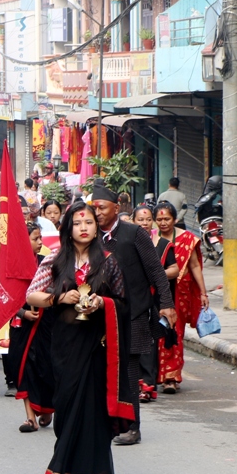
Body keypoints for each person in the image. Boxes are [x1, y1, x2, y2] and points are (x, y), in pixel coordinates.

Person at [25, 201, 134, 474]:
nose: (84, 228)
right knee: (68, 404)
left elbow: (124, 305)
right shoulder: (55, 260)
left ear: (97, 227)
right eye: (77, 223)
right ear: (68, 228)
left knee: (93, 409)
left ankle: (83, 473)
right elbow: (31, 295)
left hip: (97, 347)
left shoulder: (109, 261)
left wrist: (103, 302)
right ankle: (70, 466)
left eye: (89, 223)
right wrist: (58, 299)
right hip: (64, 346)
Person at [90, 184, 175, 445]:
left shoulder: (134, 233)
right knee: (100, 368)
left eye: (102, 208)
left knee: (129, 369)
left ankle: (133, 426)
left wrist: (166, 303)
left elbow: (155, 270)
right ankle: (108, 421)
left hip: (134, 311)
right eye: (94, 208)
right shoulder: (89, 236)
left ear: (117, 208)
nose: (97, 213)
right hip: (101, 312)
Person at [154, 201, 208, 394]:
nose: (163, 223)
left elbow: (194, 266)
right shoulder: (151, 240)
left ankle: (171, 377)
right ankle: (154, 375)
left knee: (175, 333)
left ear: (175, 219)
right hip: (155, 293)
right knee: (157, 333)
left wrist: (203, 292)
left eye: (166, 219)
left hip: (180, 293)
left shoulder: (187, 239)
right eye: (159, 219)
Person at [8, 222, 56, 432]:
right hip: (22, 326)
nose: (40, 243)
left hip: (46, 324)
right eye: (35, 238)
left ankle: (46, 409)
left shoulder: (46, 263)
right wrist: (23, 312)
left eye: (40, 238)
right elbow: (6, 296)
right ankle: (30, 419)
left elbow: (56, 288)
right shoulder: (11, 265)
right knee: (24, 368)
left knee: (46, 368)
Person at [134, 204, 176, 402]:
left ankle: (148, 384)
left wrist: (155, 277)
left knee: (149, 342)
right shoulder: (128, 243)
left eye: (147, 219)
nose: (144, 223)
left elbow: (173, 269)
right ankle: (136, 382)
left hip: (154, 300)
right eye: (140, 219)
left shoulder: (162, 244)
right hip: (132, 300)